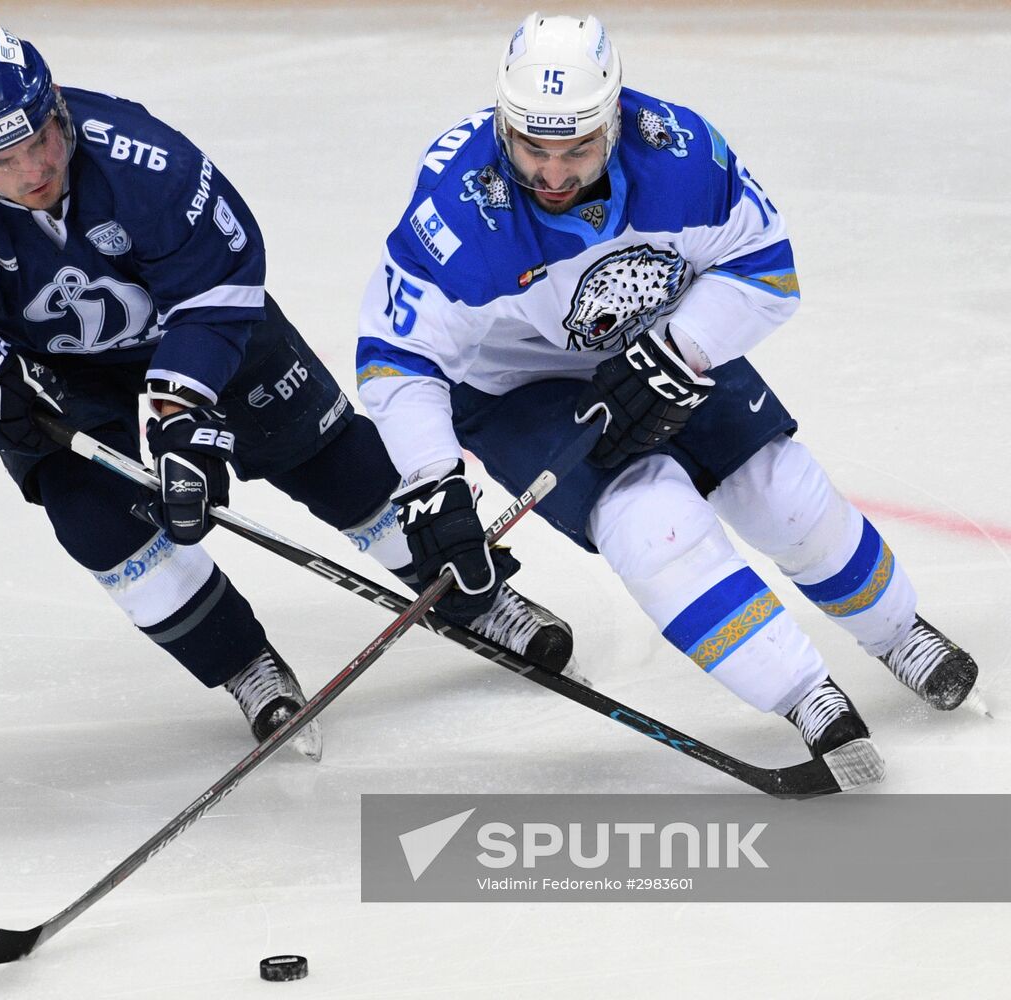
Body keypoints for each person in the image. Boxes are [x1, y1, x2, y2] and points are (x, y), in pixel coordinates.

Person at [0, 25, 576, 761]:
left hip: (195, 335)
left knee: (329, 457)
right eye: (5, 160)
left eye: (42, 138)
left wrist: (178, 408)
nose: (36, 167)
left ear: (58, 107)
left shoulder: (143, 159)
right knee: (93, 522)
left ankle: (479, 598)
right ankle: (244, 666)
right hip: (56, 377)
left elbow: (219, 288)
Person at [356, 12, 981, 783]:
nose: (552, 175)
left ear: (614, 121)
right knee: (651, 524)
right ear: (501, 122)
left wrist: (679, 349)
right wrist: (433, 481)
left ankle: (897, 633)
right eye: (532, 148)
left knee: (779, 491)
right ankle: (803, 692)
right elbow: (395, 356)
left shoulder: (679, 155)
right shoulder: (459, 210)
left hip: (664, 333)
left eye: (577, 148)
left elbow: (767, 268)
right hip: (517, 386)